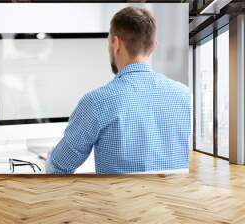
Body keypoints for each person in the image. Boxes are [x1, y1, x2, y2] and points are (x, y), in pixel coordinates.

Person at [46, 6, 191, 174]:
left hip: (119, 200)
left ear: (116, 43)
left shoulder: (96, 102)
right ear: (153, 47)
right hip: (174, 199)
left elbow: (57, 169)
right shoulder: (185, 95)